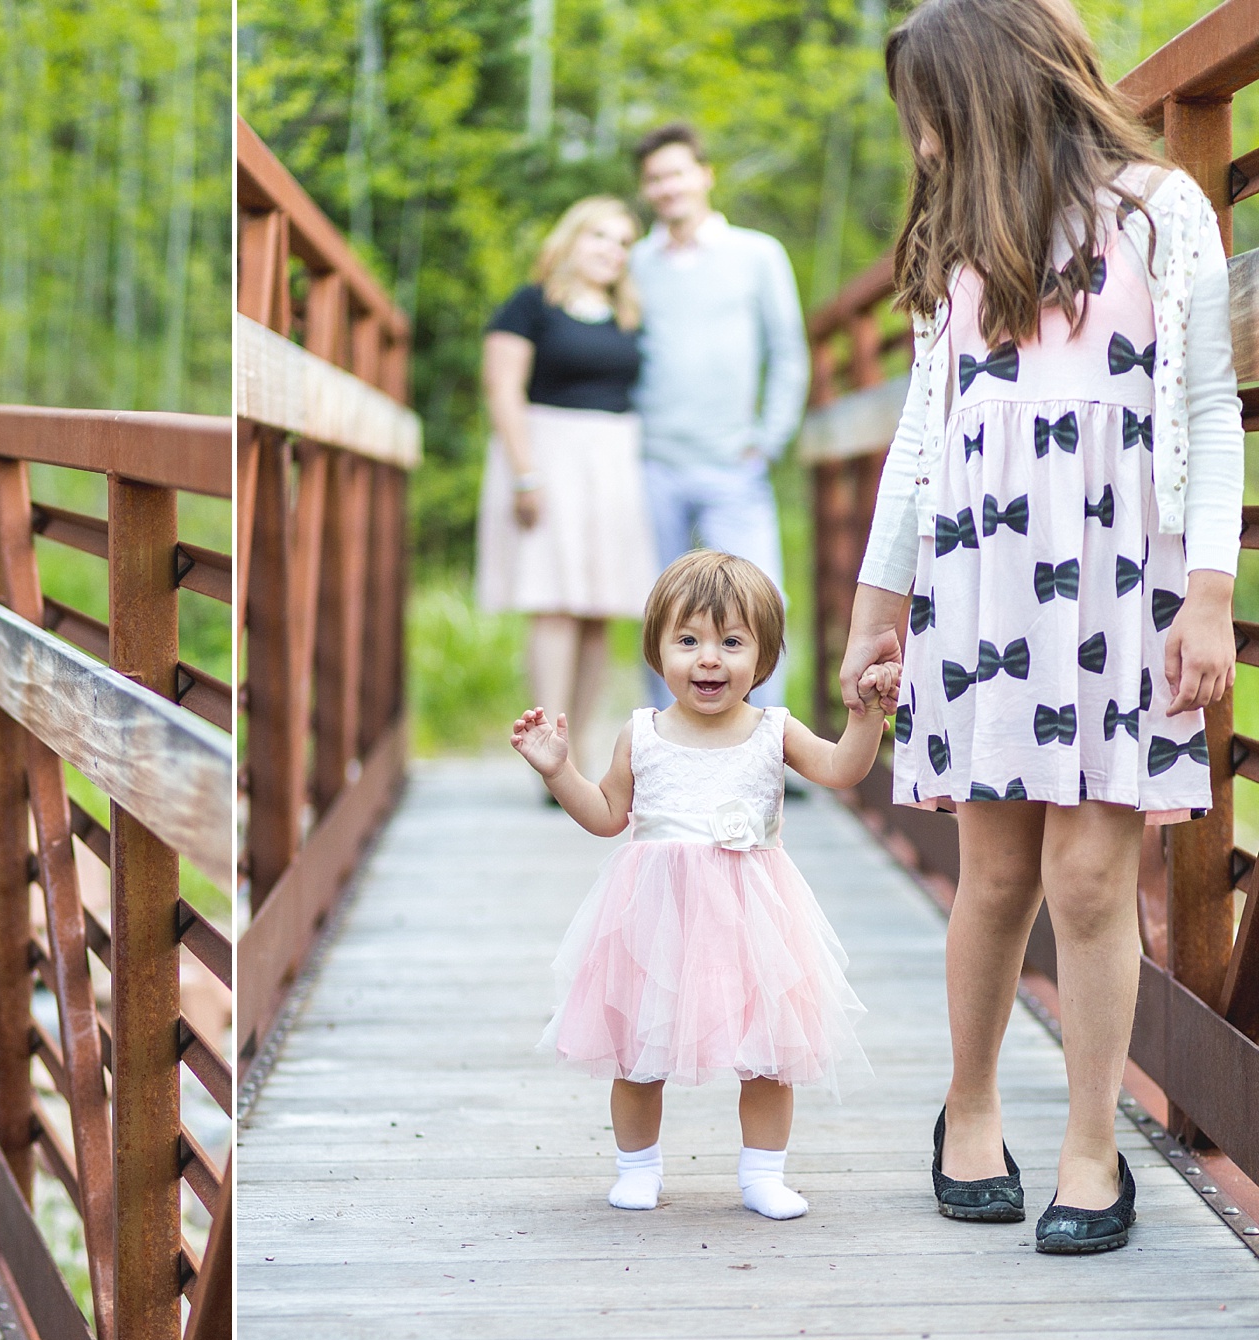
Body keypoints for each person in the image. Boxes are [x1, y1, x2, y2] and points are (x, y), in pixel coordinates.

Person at [840, 0, 1240, 1255]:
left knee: (1086, 870)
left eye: (930, 116)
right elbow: (918, 438)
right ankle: (968, 1110)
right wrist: (872, 613)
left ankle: (1088, 1145)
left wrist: (1211, 589)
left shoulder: (1161, 210)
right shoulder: (952, 238)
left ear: (994, 94)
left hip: (1122, 581)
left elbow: (1211, 409)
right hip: (983, 584)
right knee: (998, 868)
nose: (921, 145)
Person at [512, 552, 888, 1218]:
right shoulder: (643, 735)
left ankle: (763, 1175)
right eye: (688, 641)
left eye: (731, 642)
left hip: (755, 921)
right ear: (659, 650)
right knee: (638, 1053)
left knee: (771, 1055)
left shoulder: (774, 730)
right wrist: (558, 773)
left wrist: (865, 721)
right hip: (658, 919)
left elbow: (838, 770)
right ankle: (637, 1166)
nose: (708, 658)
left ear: (764, 657)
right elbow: (606, 816)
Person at [629, 123, 808, 709]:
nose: (667, 186)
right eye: (655, 178)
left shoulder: (757, 254)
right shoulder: (635, 265)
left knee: (759, 603)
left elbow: (788, 354)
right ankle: (666, 752)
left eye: (677, 172)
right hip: (652, 461)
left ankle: (763, 750)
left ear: (704, 176)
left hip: (734, 462)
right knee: (659, 610)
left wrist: (768, 439)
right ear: (645, 189)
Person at [478, 196, 655, 773]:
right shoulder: (529, 306)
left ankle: (574, 751)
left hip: (613, 460)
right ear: (572, 239)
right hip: (548, 454)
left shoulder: (628, 313)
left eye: (624, 242)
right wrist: (525, 474)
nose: (611, 251)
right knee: (553, 603)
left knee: (599, 606)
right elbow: (504, 391)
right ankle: (545, 753)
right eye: (600, 236)